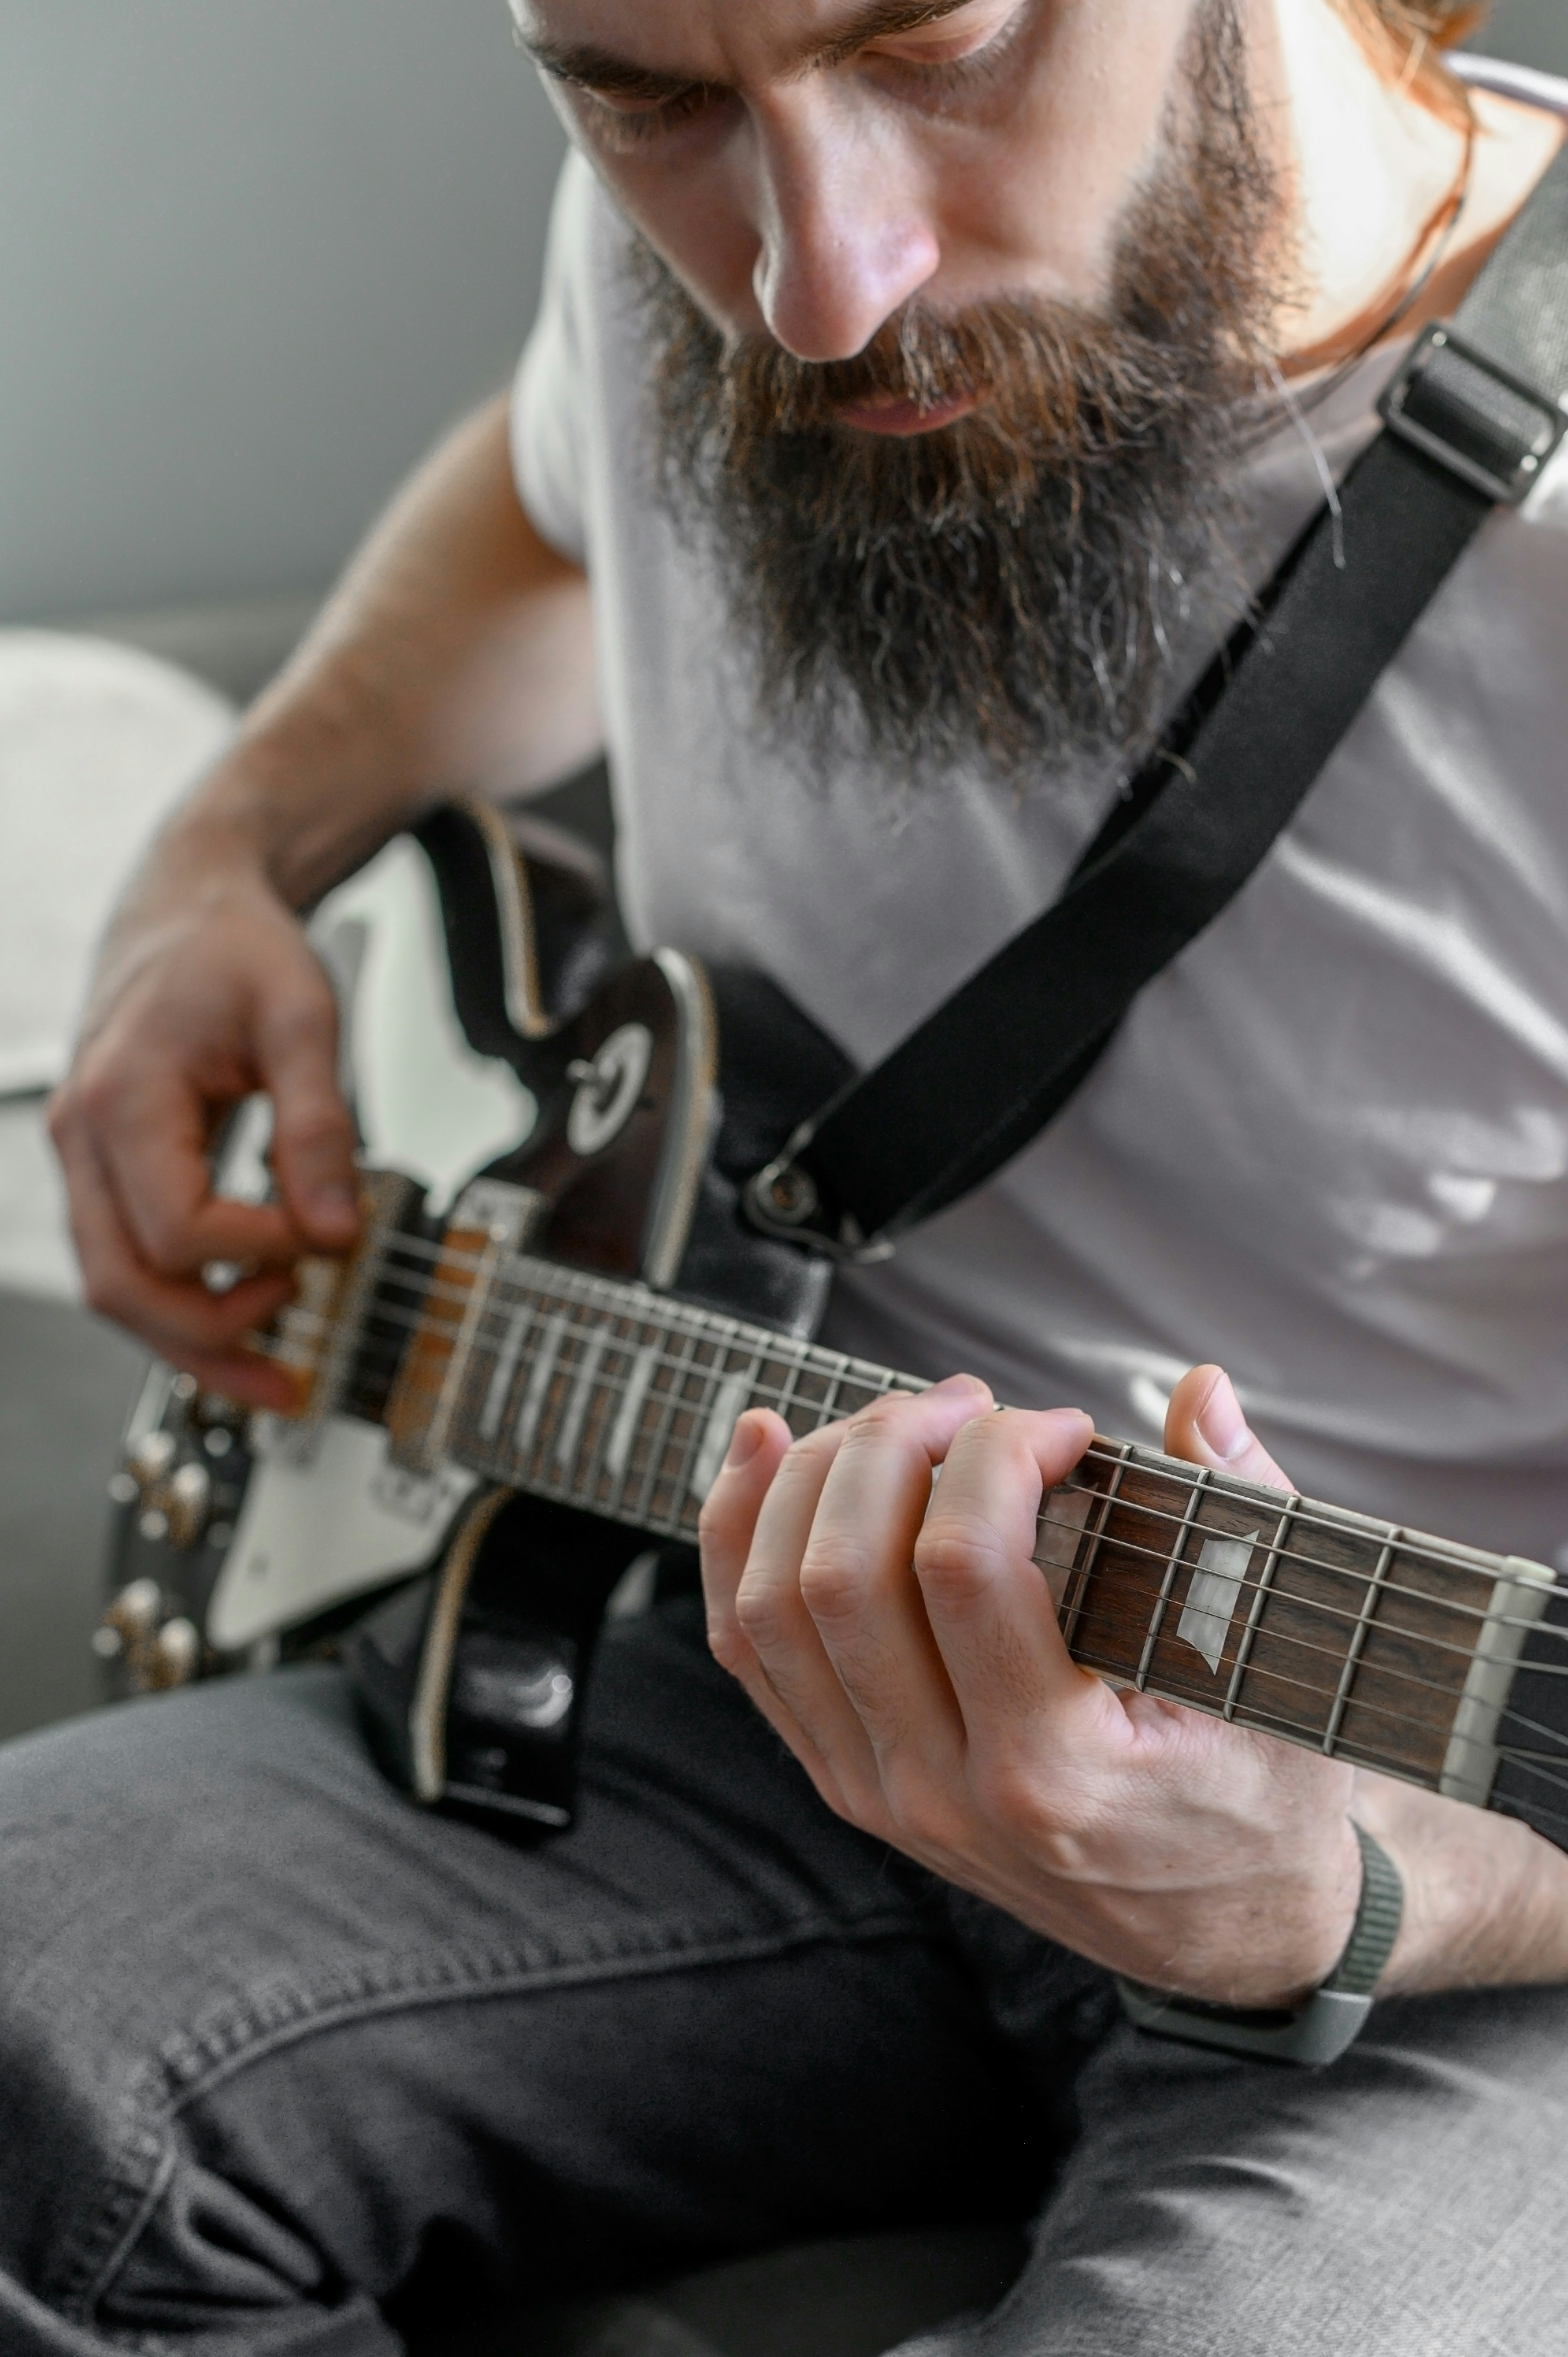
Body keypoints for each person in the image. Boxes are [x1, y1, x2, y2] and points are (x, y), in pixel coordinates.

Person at [14, 0, 1568, 2347]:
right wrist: (212, 863)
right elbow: (535, 499)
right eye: (640, 100)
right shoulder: (699, 240)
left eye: (939, 42)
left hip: (1463, 1876)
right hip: (726, 1654)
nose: (811, 283)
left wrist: (1352, 1898)